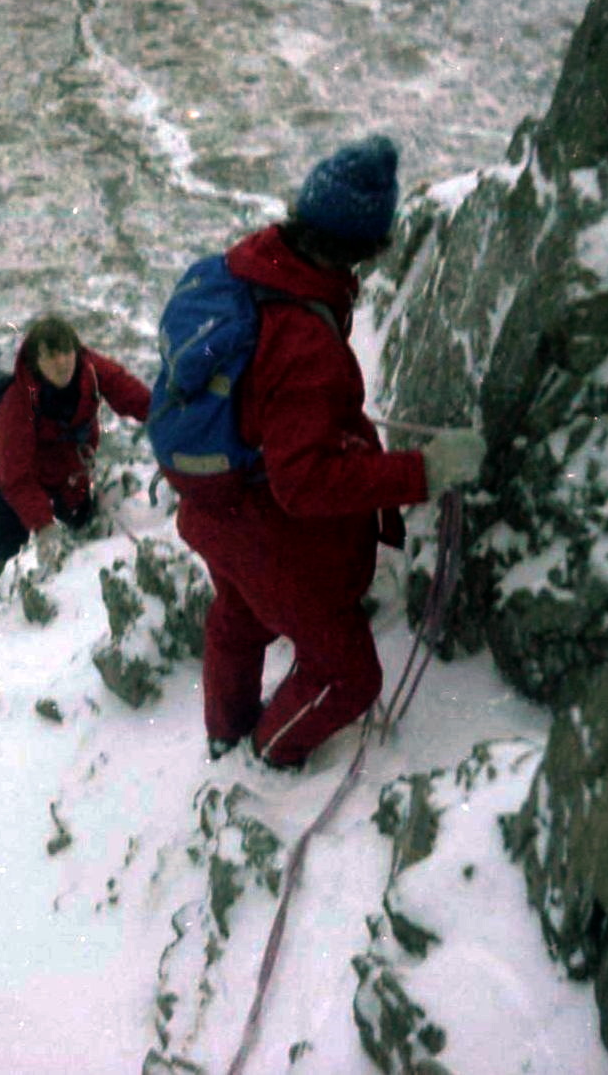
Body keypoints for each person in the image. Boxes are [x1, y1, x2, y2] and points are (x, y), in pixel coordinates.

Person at [160, 135, 483, 768]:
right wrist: (425, 471)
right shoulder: (304, 339)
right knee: (349, 676)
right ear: (361, 246)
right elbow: (303, 484)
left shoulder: (258, 264)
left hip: (215, 504)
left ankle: (226, 734)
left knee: (239, 619)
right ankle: (266, 756)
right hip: (261, 525)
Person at [0, 313, 151, 620]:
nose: (62, 362)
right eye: (51, 355)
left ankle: (75, 566)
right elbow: (15, 476)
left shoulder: (89, 368)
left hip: (70, 472)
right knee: (7, 527)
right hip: (25, 475)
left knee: (79, 517)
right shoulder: (18, 400)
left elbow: (123, 387)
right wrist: (44, 526)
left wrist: (158, 414)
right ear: (36, 360)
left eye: (67, 353)